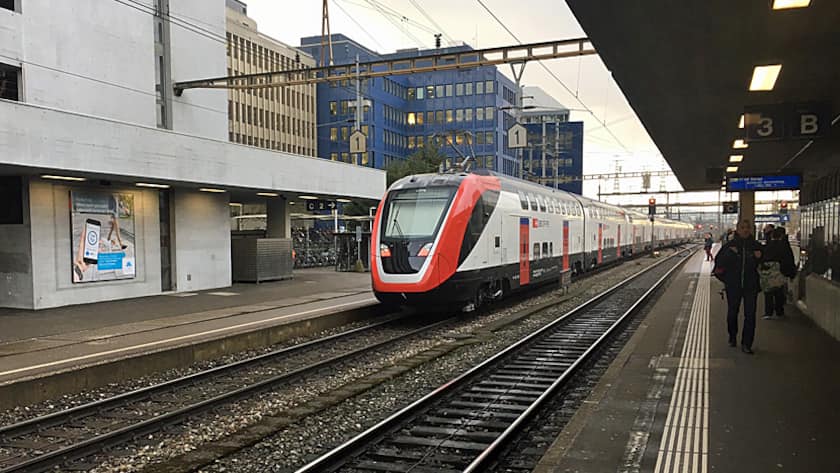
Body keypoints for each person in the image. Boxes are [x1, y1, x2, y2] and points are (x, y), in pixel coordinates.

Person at [714, 218, 763, 354]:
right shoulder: (729, 246)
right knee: (732, 313)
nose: (745, 230)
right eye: (743, 227)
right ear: (737, 229)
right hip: (733, 286)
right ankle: (732, 335)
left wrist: (759, 257)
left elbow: (765, 264)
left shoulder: (756, 246)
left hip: (751, 286)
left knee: (750, 315)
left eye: (748, 227)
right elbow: (718, 265)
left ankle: (747, 344)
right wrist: (727, 280)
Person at [761, 227, 796, 319]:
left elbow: (763, 259)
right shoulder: (784, 246)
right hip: (780, 272)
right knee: (779, 292)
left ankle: (768, 312)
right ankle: (779, 311)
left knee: (768, 292)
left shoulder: (768, 246)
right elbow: (789, 259)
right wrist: (791, 273)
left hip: (768, 273)